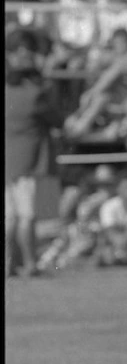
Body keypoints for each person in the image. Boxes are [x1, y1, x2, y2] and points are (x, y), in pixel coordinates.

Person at [5, 29, 66, 277]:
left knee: (9, 216)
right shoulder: (35, 94)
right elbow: (57, 119)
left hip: (9, 160)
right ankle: (29, 263)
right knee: (26, 216)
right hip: (27, 161)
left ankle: (10, 264)